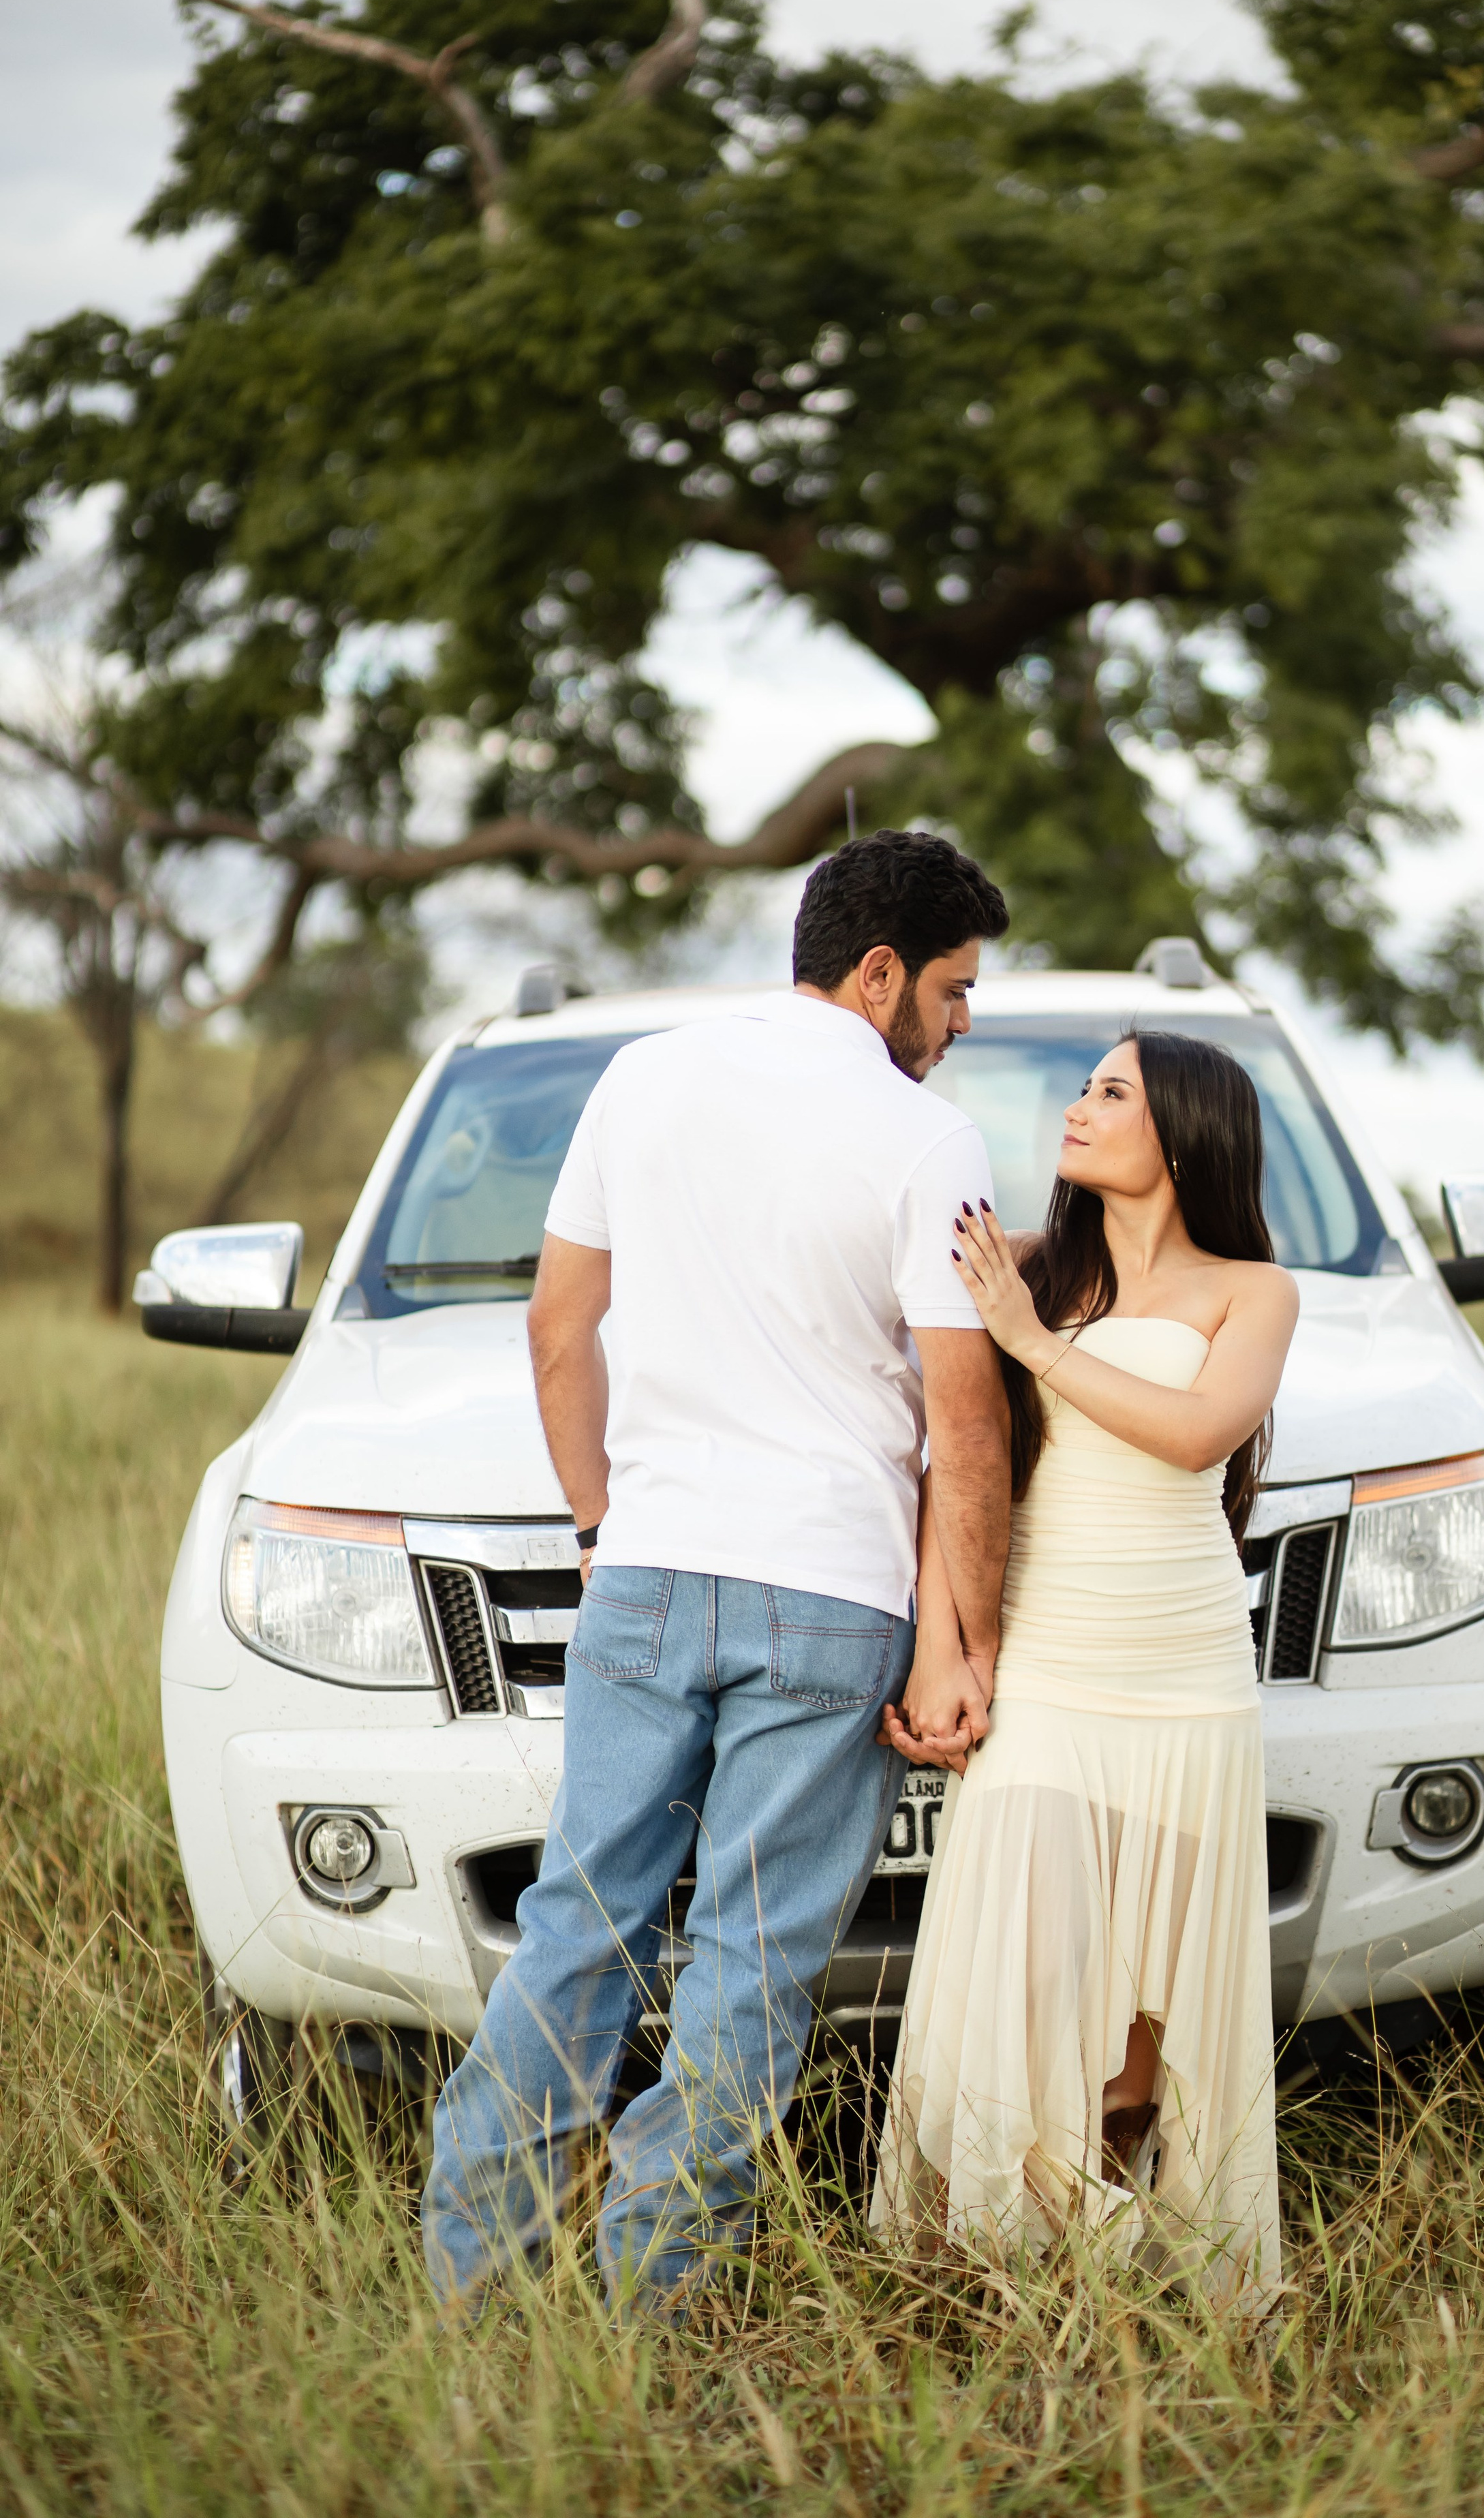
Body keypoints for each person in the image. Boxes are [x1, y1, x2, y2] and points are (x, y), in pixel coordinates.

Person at [422, 829, 1012, 2313]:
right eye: (951, 990)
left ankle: (473, 2293)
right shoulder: (924, 1137)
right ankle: (655, 2310)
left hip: (645, 1573)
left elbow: (558, 1327)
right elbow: (965, 1423)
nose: (959, 1023)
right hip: (828, 1598)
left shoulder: (643, 1079)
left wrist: (597, 1529)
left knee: (579, 1928)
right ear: (877, 973)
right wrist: (967, 1643)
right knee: (750, 1968)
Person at [872, 1029, 1298, 2314]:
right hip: (1050, 1663)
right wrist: (941, 1650)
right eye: (1084, 1087)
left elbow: (1201, 1434)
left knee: (1146, 2031)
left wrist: (1035, 1341)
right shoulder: (1027, 1267)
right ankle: (993, 2268)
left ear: (1185, 1131)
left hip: (1188, 1674)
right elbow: (956, 1460)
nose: (1079, 1106)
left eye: (1112, 1091)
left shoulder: (1254, 1291)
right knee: (1020, 1980)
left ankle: (1112, 2295)